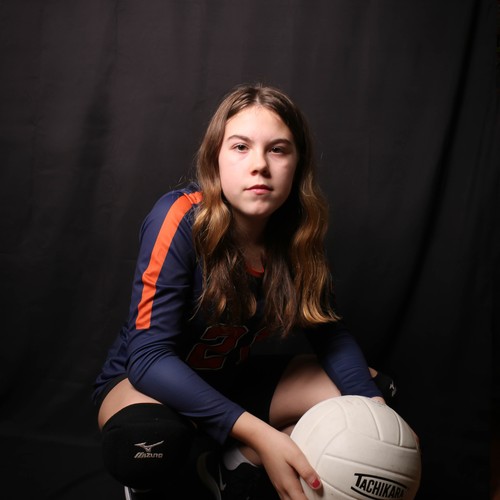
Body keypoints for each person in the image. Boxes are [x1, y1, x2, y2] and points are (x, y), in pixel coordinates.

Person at [93, 83, 396, 500]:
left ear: (298, 163)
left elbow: (330, 334)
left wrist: (376, 412)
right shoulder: (180, 217)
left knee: (375, 404)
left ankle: (234, 464)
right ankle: (213, 459)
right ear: (214, 159)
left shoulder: (298, 233)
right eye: (240, 147)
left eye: (278, 149)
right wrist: (262, 435)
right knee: (146, 447)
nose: (259, 166)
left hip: (229, 379)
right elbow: (148, 357)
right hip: (150, 384)